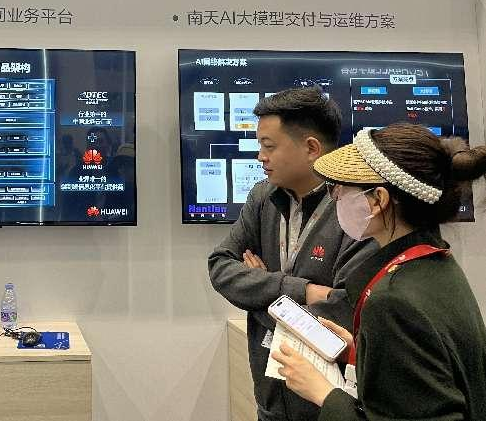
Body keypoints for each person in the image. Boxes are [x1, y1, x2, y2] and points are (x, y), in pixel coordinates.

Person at [272, 123, 486, 420]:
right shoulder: (436, 264)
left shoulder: (392, 302)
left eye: (341, 188)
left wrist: (324, 393)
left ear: (378, 200)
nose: (335, 197)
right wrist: (362, 352)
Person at [208, 87, 375, 421]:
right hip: (270, 399)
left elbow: (343, 311)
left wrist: (260, 288)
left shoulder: (355, 207)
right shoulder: (263, 197)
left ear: (311, 148)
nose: (260, 156)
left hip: (330, 405)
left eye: (269, 146)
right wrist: (302, 291)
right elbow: (220, 266)